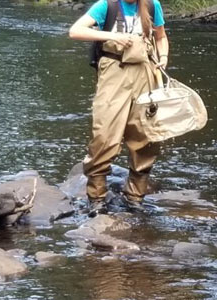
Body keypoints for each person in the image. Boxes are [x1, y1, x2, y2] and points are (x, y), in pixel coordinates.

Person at [66, 0, 170, 214]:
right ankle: (96, 198)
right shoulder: (107, 5)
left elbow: (161, 37)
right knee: (104, 136)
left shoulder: (152, 5)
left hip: (145, 74)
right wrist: (113, 36)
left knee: (145, 138)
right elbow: (75, 31)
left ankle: (135, 197)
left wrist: (163, 57)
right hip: (114, 72)